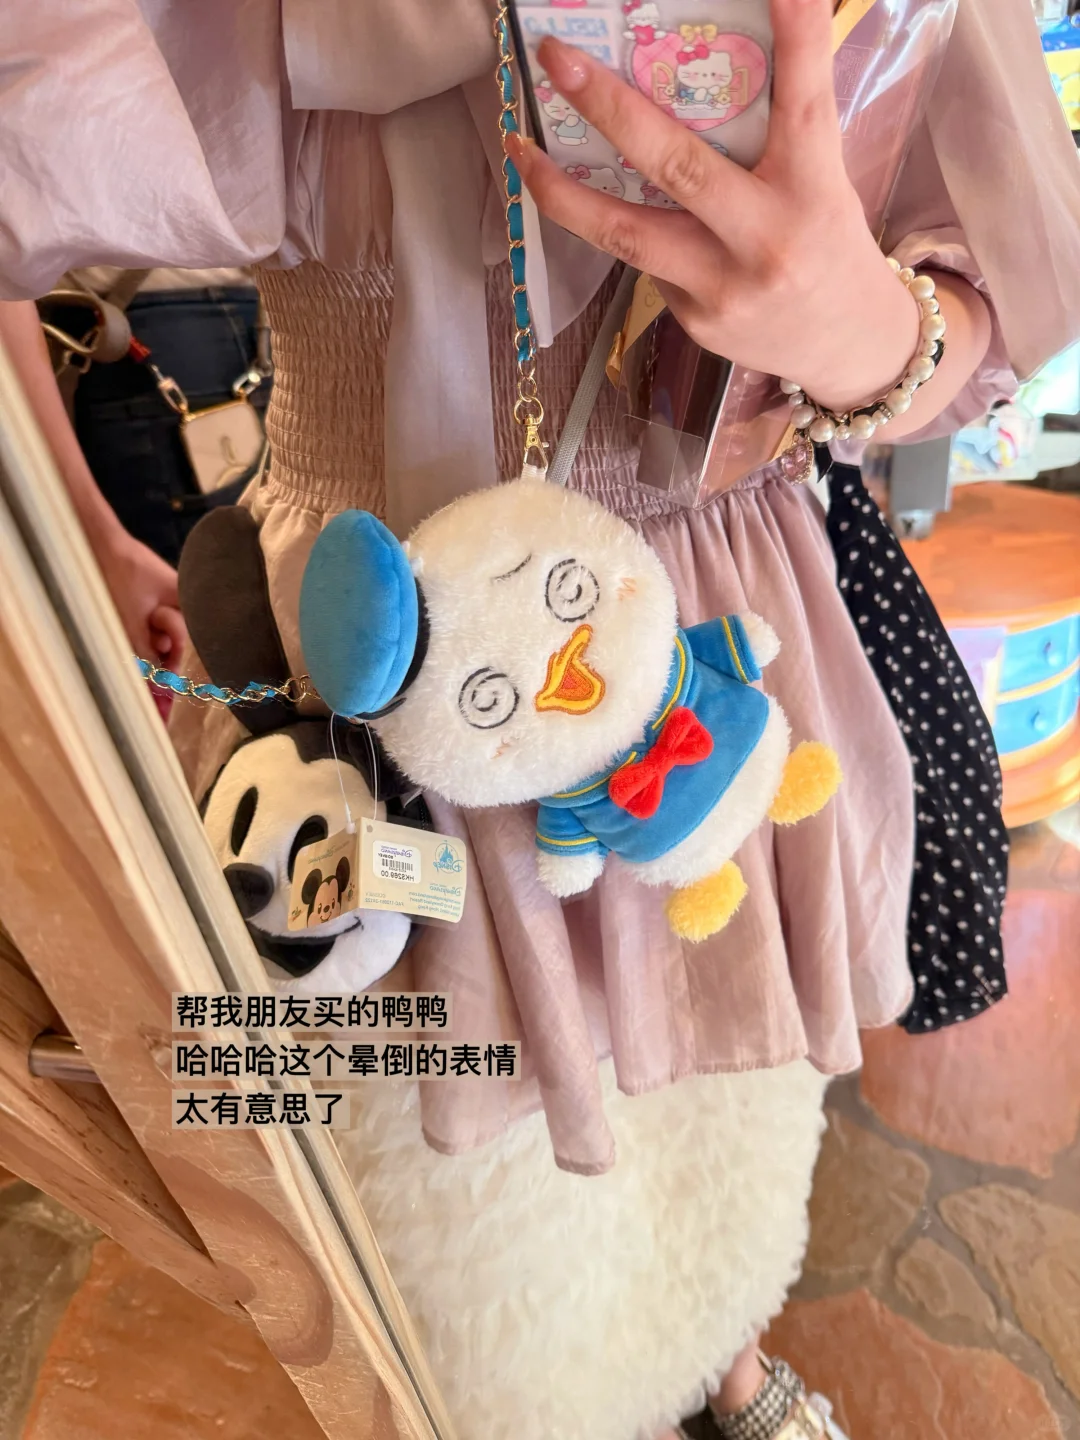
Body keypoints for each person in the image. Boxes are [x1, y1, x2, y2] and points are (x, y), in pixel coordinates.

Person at [2, 1, 1079, 1437]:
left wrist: (876, 335)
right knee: (444, 1242)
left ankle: (720, 1353)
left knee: (727, 1107)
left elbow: (989, 274)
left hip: (702, 616)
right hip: (381, 648)